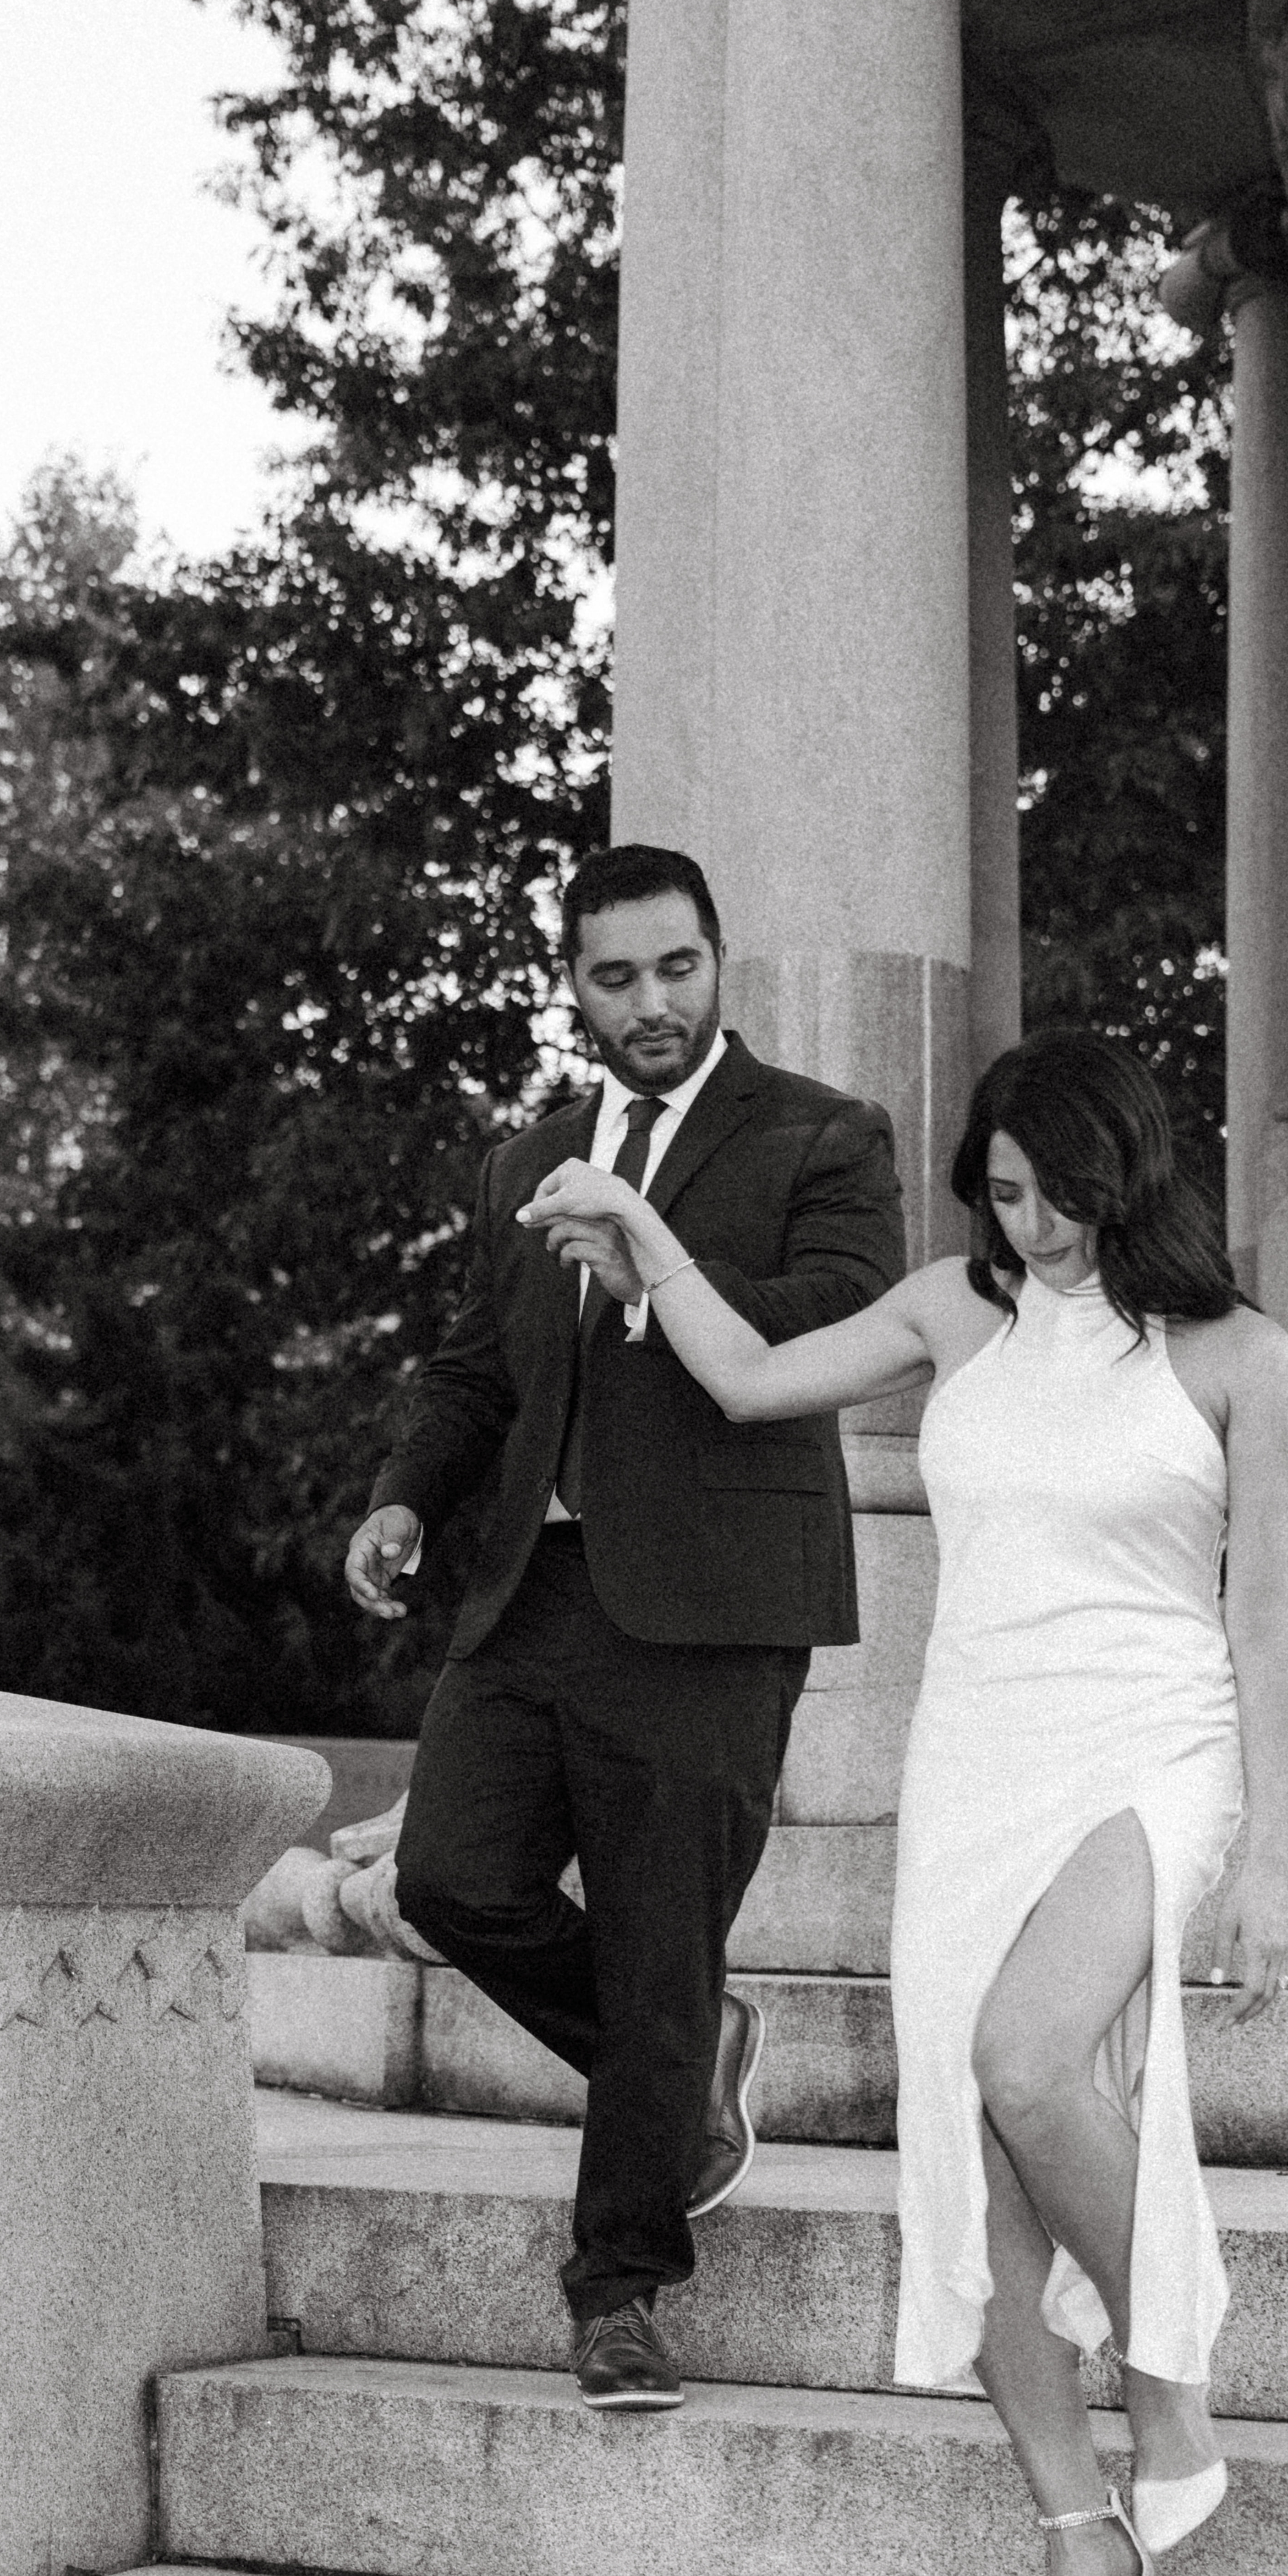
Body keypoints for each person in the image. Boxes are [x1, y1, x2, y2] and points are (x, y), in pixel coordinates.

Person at [522, 1026, 1288, 2576]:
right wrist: (644, 1234)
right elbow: (746, 1376)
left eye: (1061, 1194)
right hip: (977, 1755)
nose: (1031, 1227)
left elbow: (1267, 1628)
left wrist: (1277, 1857)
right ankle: (1074, 2544)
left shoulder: (1242, 1355)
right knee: (970, 2155)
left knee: (1026, 2061)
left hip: (1155, 1750)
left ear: (1133, 1174)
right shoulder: (959, 1311)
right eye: (1005, 1193)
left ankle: (1170, 2392)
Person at [345, 844, 906, 2410]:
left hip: (717, 1610)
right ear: (574, 985)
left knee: (662, 1944)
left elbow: (843, 1314)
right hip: (537, 1591)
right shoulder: (526, 1153)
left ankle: (621, 2293)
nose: (650, 1003)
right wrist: (405, 1498)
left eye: (676, 968)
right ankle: (683, 2057)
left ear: (720, 961)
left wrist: (653, 1269)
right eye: (614, 976)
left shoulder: (821, 1134)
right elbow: (478, 1366)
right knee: (451, 1878)